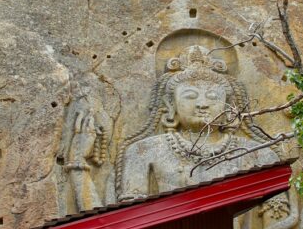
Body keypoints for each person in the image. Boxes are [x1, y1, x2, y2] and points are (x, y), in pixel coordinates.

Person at [117, 45, 280, 200]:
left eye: (213, 97)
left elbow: (277, 227)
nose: (202, 104)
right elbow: (129, 220)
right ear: (171, 105)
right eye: (190, 96)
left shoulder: (259, 154)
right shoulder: (142, 151)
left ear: (230, 106)